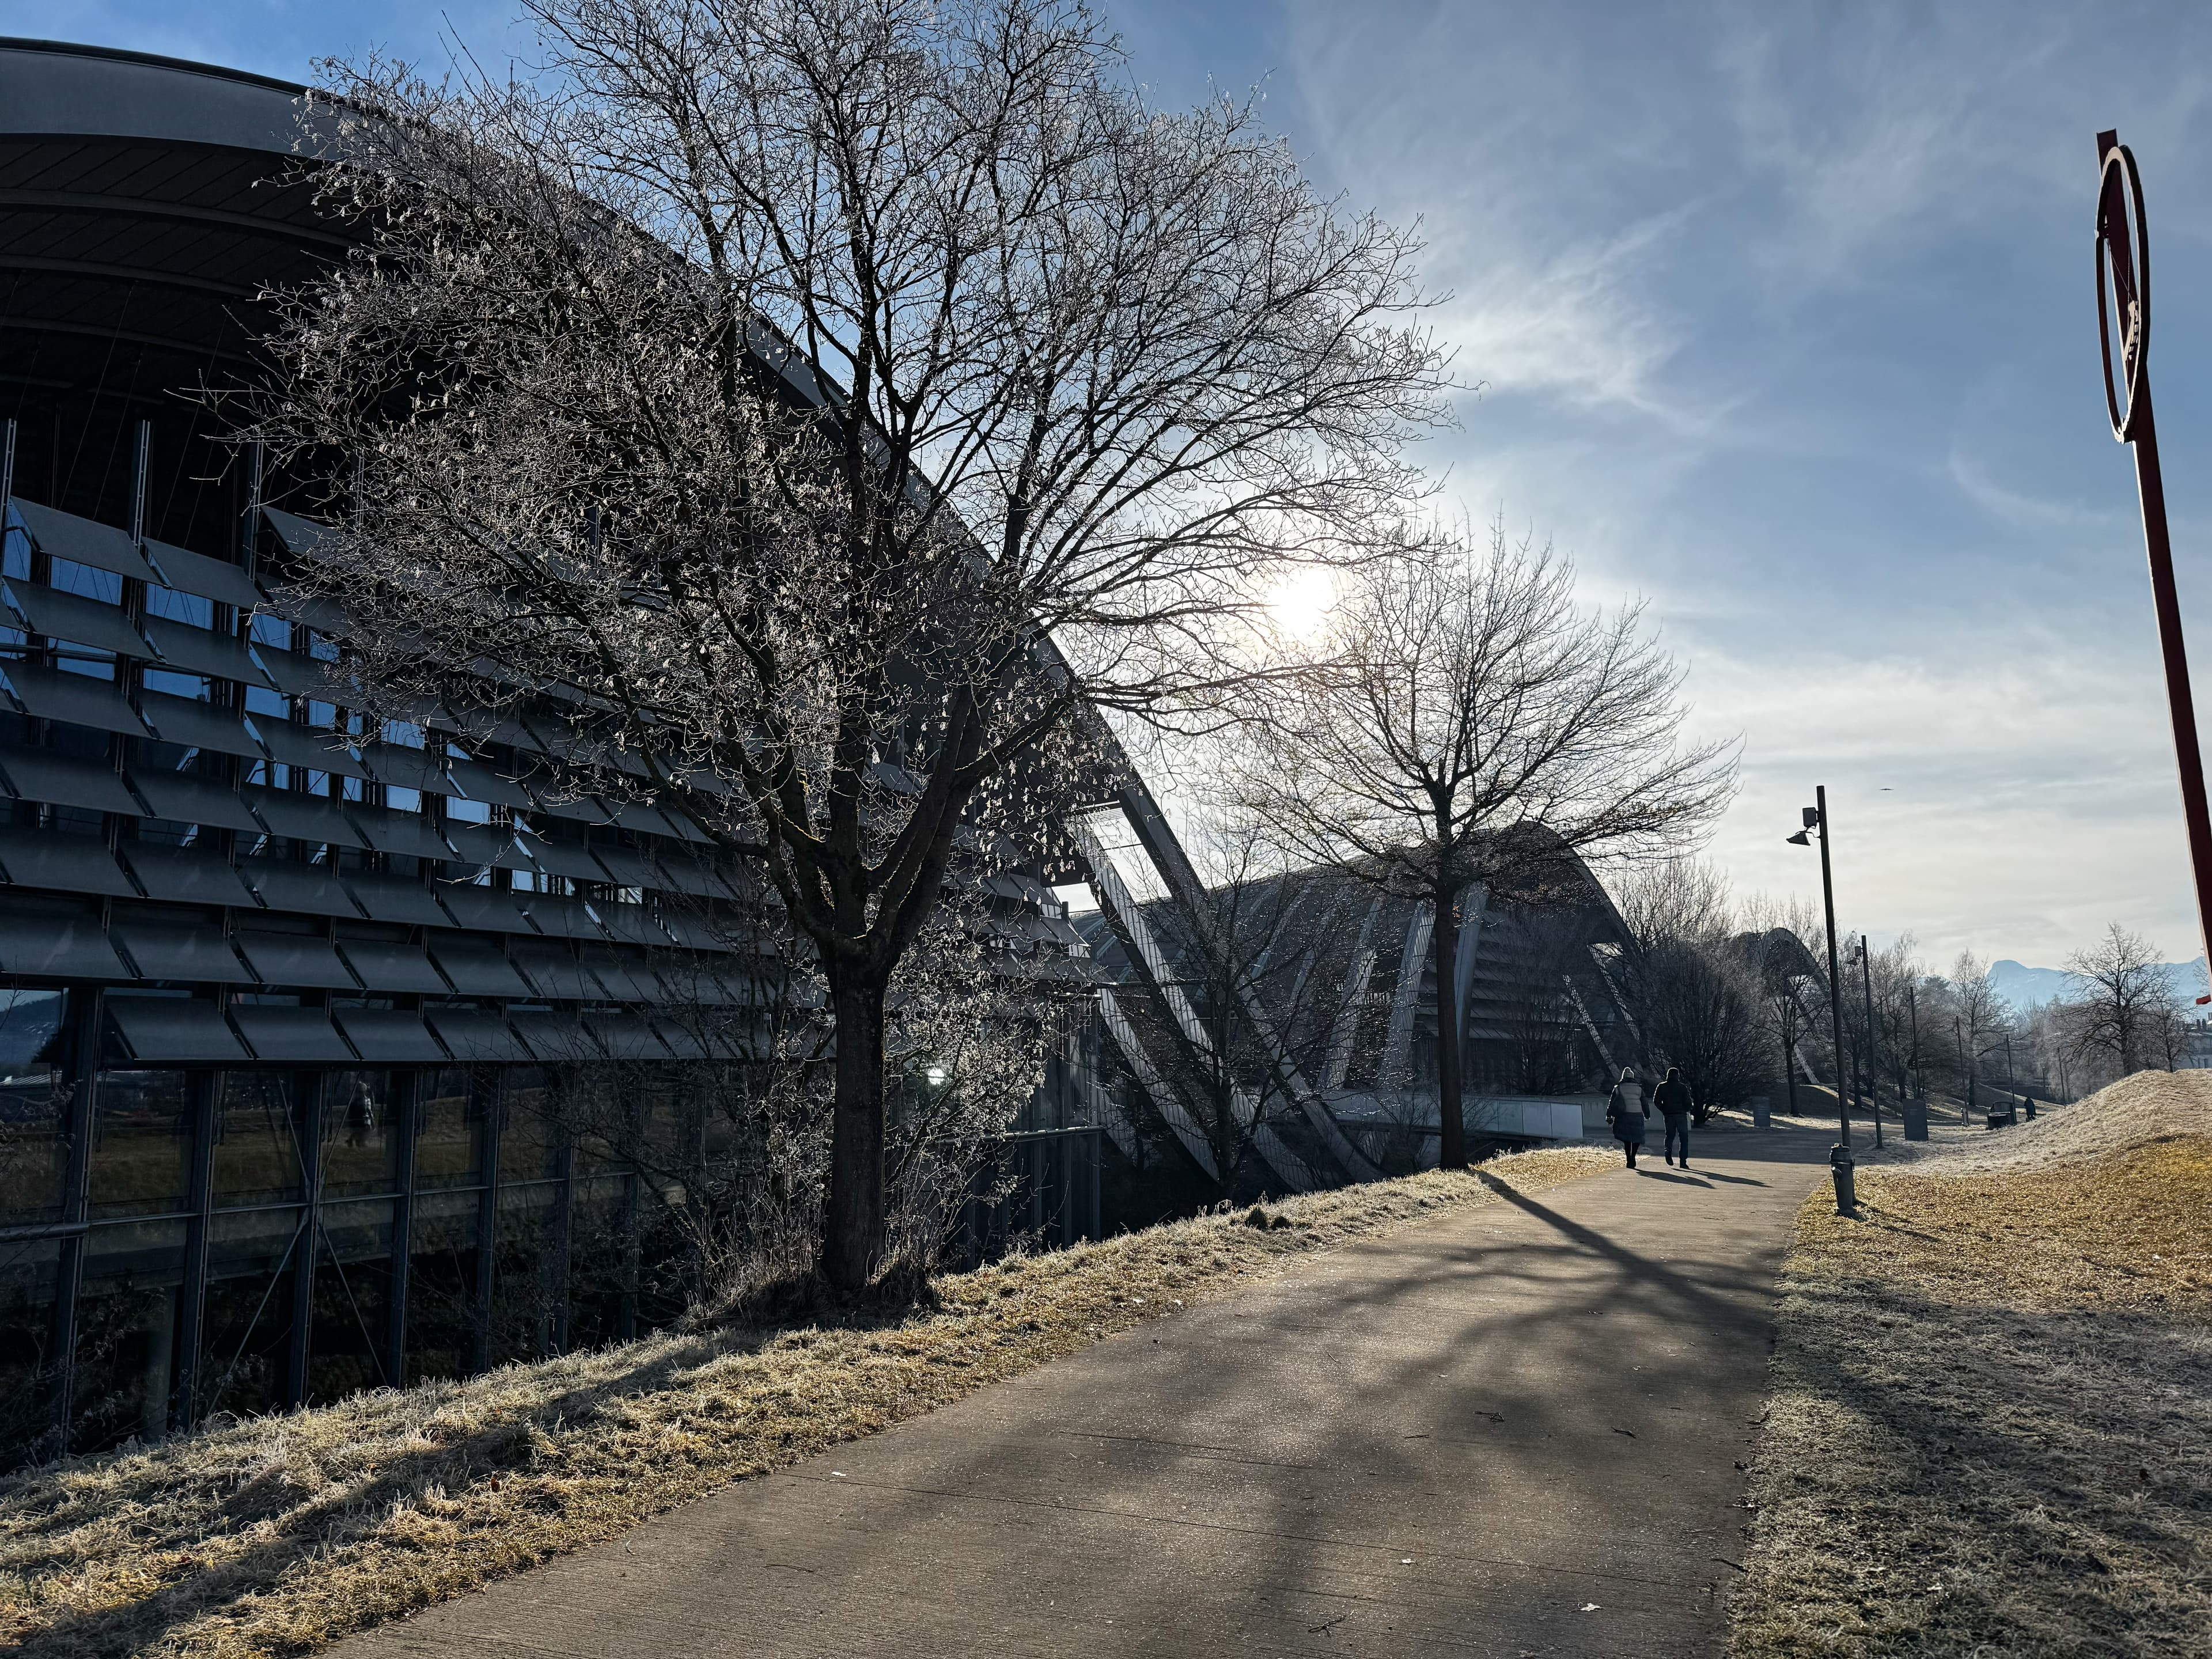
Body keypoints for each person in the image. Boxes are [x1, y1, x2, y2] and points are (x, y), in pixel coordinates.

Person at [1605, 1066, 1646, 1169]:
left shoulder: (1618, 1088)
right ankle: (1633, 1156)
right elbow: (1644, 1103)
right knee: (1637, 1137)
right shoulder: (1639, 1088)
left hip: (1624, 1115)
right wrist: (1647, 1115)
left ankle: (1629, 1159)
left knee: (1627, 1138)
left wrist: (1608, 1115)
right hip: (1637, 1114)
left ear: (1623, 1077)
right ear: (1633, 1077)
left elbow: (1612, 1103)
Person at [1655, 1065, 1694, 1166]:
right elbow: (1688, 1102)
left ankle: (1668, 1151)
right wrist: (1686, 1109)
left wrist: (1664, 1109)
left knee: (1669, 1136)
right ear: (1678, 1076)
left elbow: (1656, 1101)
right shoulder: (1682, 1087)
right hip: (1681, 1115)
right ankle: (1683, 1161)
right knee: (1684, 1138)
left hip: (1669, 1115)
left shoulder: (1662, 1086)